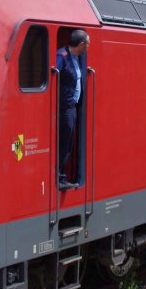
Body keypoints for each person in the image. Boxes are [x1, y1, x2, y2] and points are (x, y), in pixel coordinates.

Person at [57, 29, 89, 187]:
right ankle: (59, 177)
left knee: (68, 143)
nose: (87, 49)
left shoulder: (75, 58)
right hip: (64, 107)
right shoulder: (61, 56)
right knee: (63, 143)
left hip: (73, 107)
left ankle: (62, 175)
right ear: (81, 44)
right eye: (87, 45)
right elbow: (54, 76)